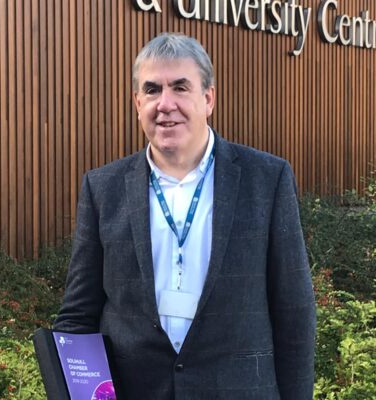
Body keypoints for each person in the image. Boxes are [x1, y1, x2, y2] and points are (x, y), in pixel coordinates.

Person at [54, 32, 316, 399]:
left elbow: (295, 314)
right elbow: (78, 316)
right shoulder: (103, 189)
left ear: (208, 98)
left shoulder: (266, 179)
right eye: (152, 89)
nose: (165, 103)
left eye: (180, 87)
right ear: (136, 102)